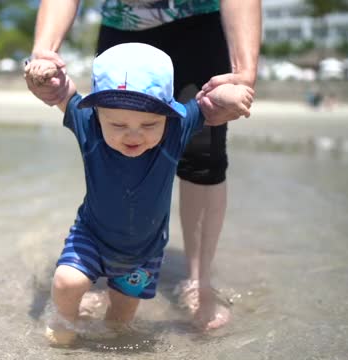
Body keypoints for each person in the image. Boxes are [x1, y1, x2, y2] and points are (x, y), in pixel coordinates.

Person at [25, 0, 261, 331]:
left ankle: (199, 281)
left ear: (168, 117)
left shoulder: (176, 126)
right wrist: (43, 60)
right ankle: (76, 304)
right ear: (96, 116)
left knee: (204, 158)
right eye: (118, 125)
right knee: (68, 283)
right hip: (122, 26)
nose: (134, 134)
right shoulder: (87, 120)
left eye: (150, 125)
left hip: (199, 25)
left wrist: (241, 80)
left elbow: (209, 108)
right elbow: (61, 92)